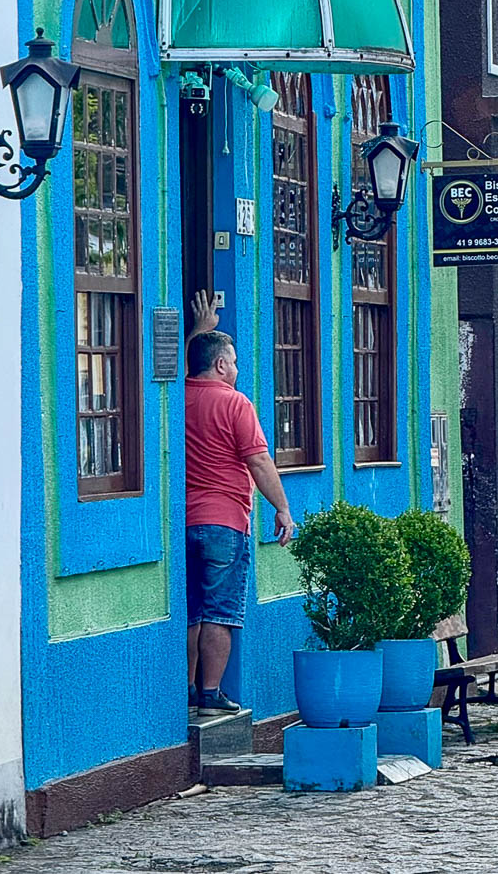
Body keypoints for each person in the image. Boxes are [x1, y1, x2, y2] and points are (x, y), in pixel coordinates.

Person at [185, 292, 295, 716]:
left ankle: (187, 692)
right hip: (225, 522)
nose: (236, 369)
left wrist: (200, 330)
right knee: (220, 612)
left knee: (192, 612)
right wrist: (282, 508)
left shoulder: (179, 395)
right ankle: (210, 693)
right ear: (220, 365)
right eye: (232, 361)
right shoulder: (235, 403)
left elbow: (182, 364)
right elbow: (259, 461)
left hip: (186, 522)